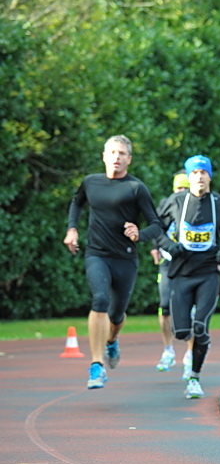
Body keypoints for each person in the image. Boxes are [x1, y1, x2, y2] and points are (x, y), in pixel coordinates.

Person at [64, 135, 161, 389]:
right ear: (104, 156)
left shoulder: (136, 188)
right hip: (97, 254)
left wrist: (139, 234)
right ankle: (97, 366)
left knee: (117, 315)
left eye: (122, 153)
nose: (117, 157)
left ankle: (111, 341)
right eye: (113, 152)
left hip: (125, 258)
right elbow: (77, 202)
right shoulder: (90, 182)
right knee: (100, 300)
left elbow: (156, 224)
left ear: (129, 159)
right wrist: (72, 229)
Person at [145, 155, 220, 399]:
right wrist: (169, 246)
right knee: (181, 332)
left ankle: (194, 378)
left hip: (208, 274)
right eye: (194, 173)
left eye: (203, 172)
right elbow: (156, 229)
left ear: (210, 176)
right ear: (188, 177)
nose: (199, 177)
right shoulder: (176, 201)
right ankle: (196, 342)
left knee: (201, 327)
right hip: (181, 274)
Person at [151, 171, 195, 375]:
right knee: (164, 307)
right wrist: (155, 248)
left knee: (190, 309)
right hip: (168, 262)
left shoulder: (197, 205)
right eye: (179, 188)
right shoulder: (166, 204)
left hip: (191, 264)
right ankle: (168, 350)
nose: (181, 192)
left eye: (185, 188)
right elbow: (156, 227)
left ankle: (190, 354)